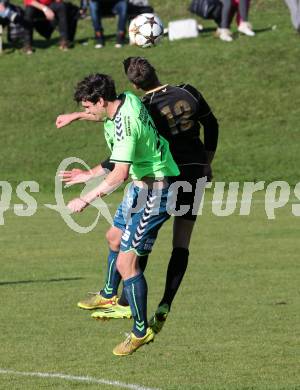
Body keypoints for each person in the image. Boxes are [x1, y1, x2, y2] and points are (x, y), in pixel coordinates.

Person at [57, 57, 219, 335]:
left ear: (133, 84)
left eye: (86, 105)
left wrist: (87, 192)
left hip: (160, 180)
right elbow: (212, 126)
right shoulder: (172, 94)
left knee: (134, 252)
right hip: (194, 172)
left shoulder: (143, 108)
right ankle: (157, 300)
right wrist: (207, 161)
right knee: (173, 242)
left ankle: (131, 312)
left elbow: (120, 165)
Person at [56, 73, 180, 356]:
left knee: (127, 264)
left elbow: (119, 173)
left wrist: (85, 198)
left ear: (101, 100)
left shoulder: (127, 125)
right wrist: (77, 115)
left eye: (89, 106)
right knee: (113, 237)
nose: (89, 111)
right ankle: (110, 295)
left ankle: (140, 331)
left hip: (157, 191)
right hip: (141, 186)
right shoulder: (126, 100)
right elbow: (108, 133)